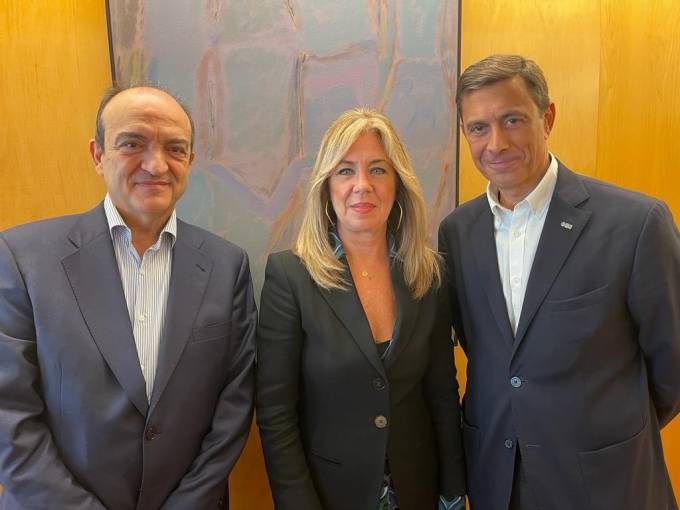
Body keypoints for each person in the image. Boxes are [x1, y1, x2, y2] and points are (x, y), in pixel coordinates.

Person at [438, 54, 680, 509]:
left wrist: (604, 430)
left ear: (547, 118)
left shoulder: (636, 223)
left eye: (512, 120)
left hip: (607, 486)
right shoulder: (457, 233)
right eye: (478, 128)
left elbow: (673, 366)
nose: (496, 143)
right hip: (497, 482)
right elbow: (488, 353)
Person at [0, 85, 257, 509]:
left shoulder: (227, 266)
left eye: (175, 148)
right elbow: (9, 415)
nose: (156, 164)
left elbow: (234, 406)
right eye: (133, 143)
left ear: (189, 161)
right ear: (98, 154)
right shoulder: (21, 258)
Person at [256, 108, 466, 510]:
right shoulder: (290, 276)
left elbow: (442, 393)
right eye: (345, 171)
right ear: (327, 186)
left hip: (418, 491)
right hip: (329, 494)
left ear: (398, 184)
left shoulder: (428, 274)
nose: (362, 185)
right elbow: (276, 412)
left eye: (378, 170)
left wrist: (453, 493)